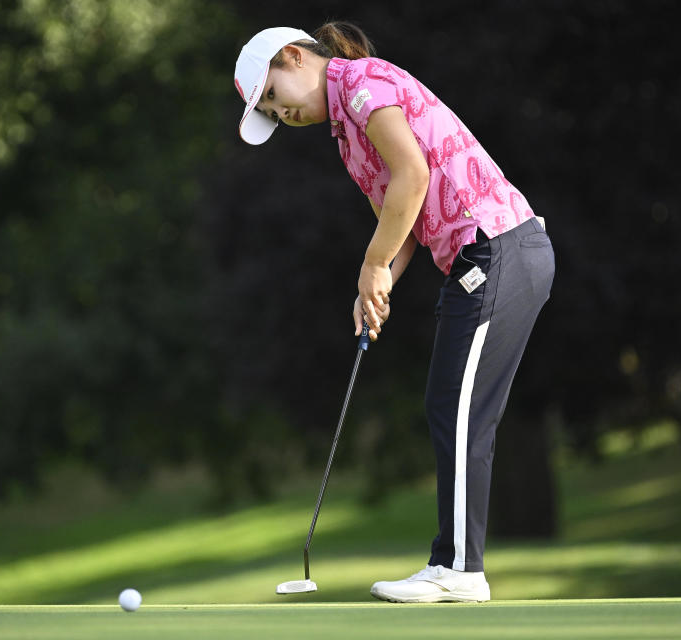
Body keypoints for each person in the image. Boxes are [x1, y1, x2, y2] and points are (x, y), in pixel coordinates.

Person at [233, 23, 555, 603]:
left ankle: (459, 569)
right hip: (480, 257)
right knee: (450, 406)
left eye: (275, 98)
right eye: (273, 116)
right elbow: (399, 218)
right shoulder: (346, 134)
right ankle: (454, 564)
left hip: (499, 245)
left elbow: (413, 176)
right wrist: (375, 287)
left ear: (294, 57)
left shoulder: (359, 84)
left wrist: (371, 265)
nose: (284, 115)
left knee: (458, 411)